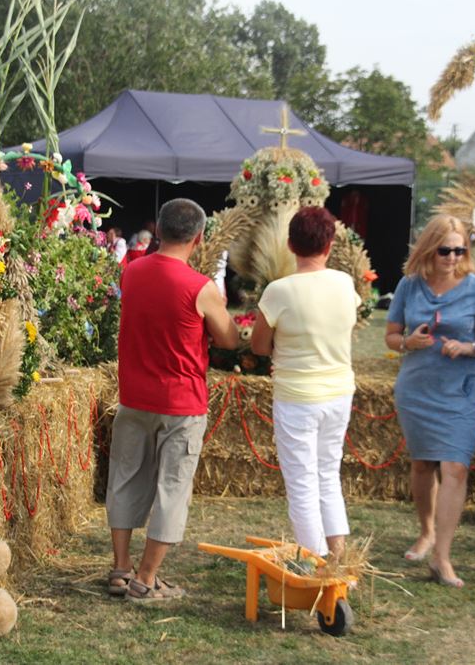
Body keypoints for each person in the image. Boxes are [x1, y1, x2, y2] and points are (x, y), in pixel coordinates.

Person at [106, 198, 238, 601]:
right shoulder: (201, 287)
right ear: (198, 238)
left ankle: (120, 568)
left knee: (125, 478)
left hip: (133, 395)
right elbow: (229, 339)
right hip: (180, 402)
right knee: (171, 488)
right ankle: (146, 579)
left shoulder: (132, 272)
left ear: (158, 230)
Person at [384, 214, 475, 588]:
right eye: (445, 249)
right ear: (430, 249)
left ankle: (442, 558)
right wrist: (407, 343)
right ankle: (426, 531)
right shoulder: (409, 285)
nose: (452, 257)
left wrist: (468, 347)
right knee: (421, 465)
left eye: (459, 249)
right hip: (417, 388)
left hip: (461, 389)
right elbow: (390, 334)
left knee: (455, 468)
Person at [250, 207, 361, 558]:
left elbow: (258, 346)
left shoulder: (279, 291)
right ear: (329, 245)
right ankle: (339, 559)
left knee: (301, 483)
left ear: (289, 245)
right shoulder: (345, 283)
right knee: (328, 474)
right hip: (339, 392)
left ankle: (314, 565)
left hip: (297, 395)